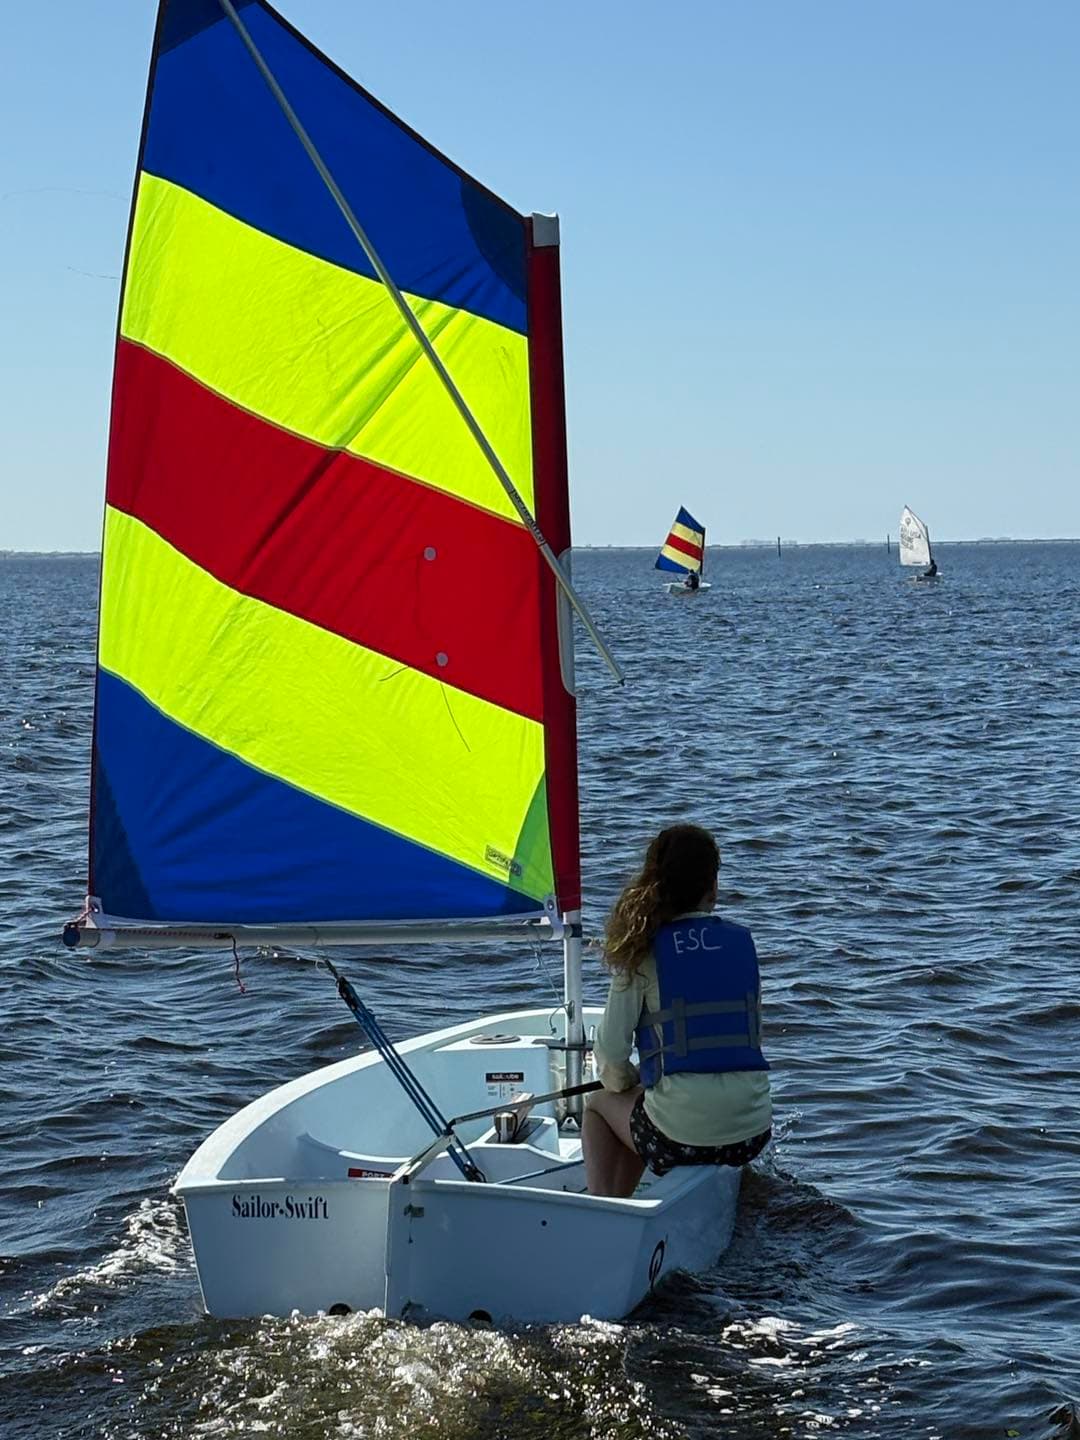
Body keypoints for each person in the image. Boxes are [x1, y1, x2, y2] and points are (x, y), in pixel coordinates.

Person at [583, 824, 772, 1198]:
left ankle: (604, 1206)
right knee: (644, 1107)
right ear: (713, 887)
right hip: (753, 1133)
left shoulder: (643, 952)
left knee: (600, 1105)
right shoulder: (742, 944)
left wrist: (625, 1083)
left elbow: (610, 1055)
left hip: (677, 1137)